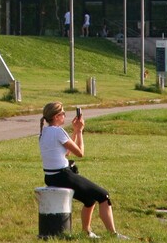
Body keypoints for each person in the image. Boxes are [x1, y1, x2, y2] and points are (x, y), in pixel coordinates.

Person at [39, 101, 129, 240]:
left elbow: (66, 152)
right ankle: (113, 234)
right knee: (103, 196)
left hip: (51, 177)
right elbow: (80, 152)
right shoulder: (58, 131)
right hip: (63, 175)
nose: (64, 116)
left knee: (89, 199)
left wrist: (75, 130)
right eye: (63, 113)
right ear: (56, 116)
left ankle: (86, 231)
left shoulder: (44, 132)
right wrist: (80, 131)